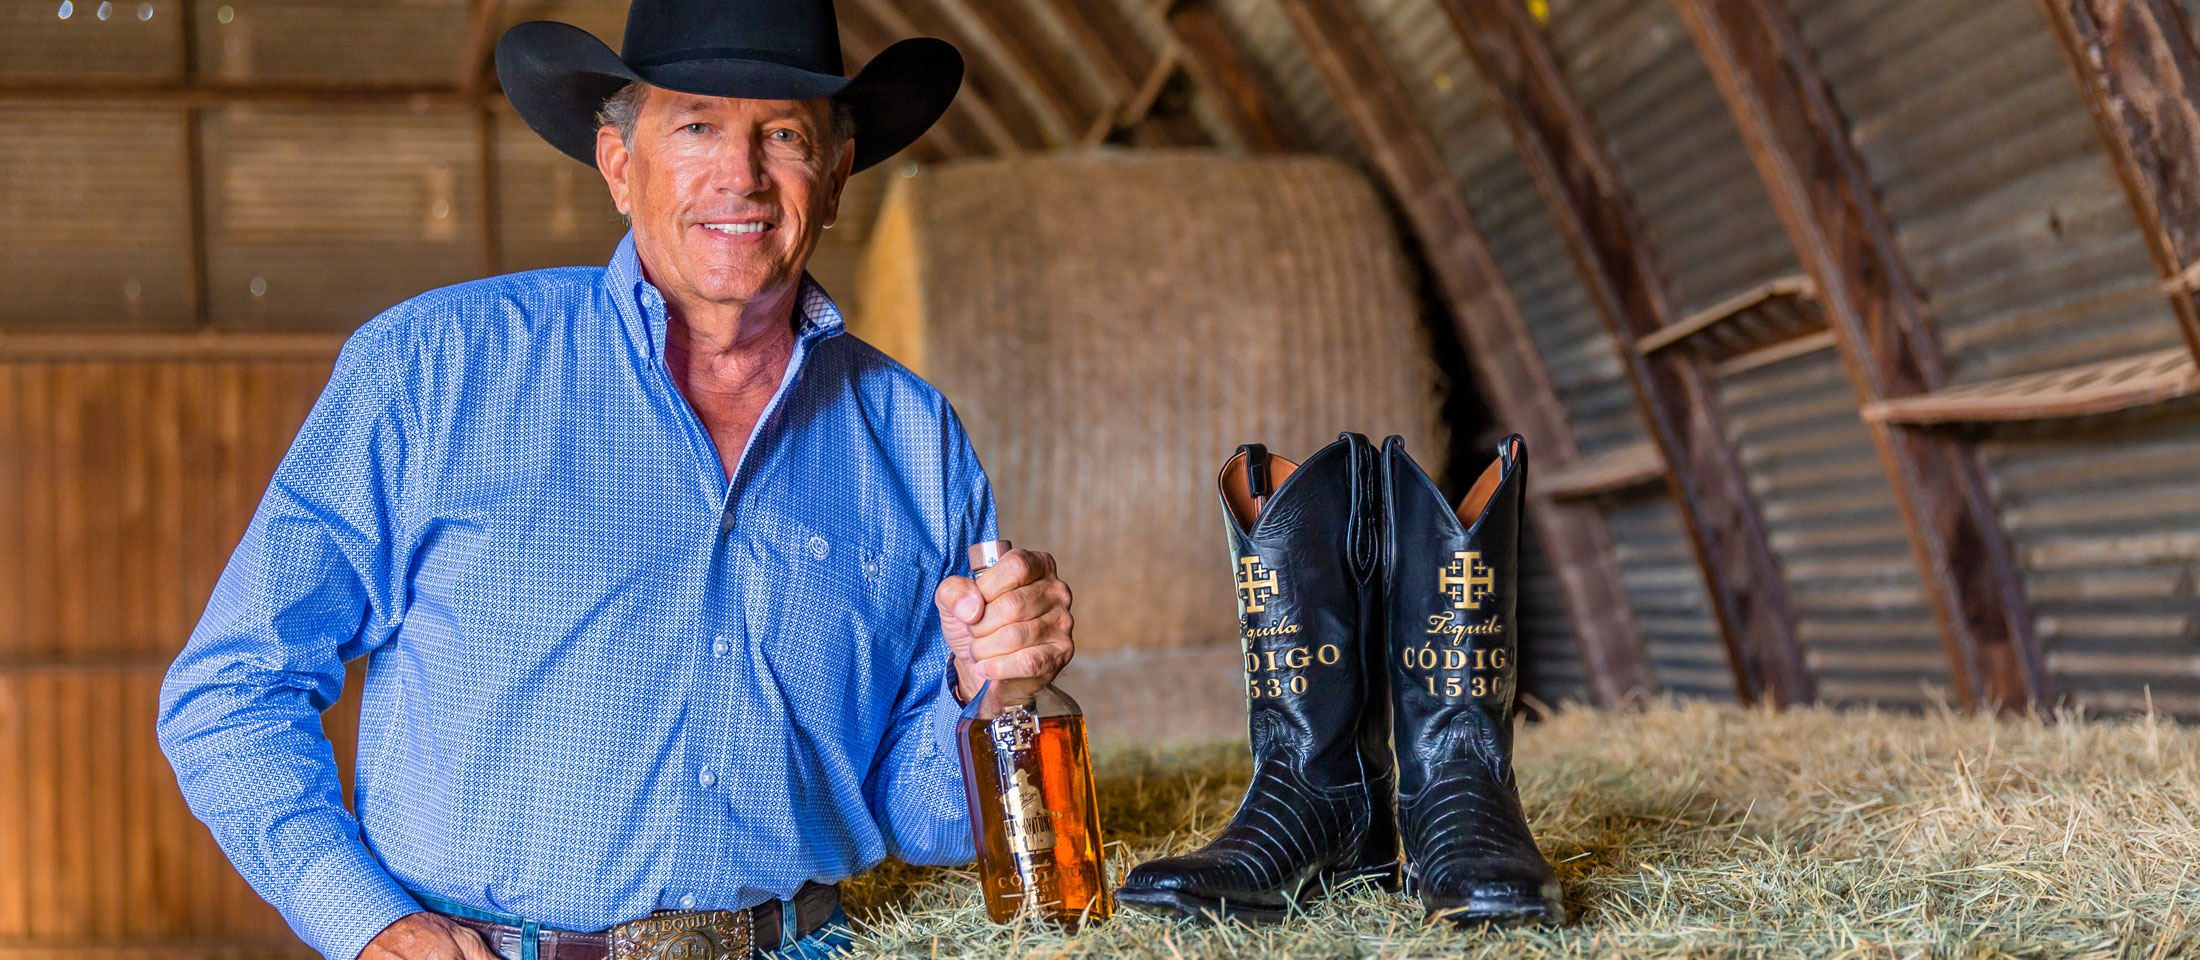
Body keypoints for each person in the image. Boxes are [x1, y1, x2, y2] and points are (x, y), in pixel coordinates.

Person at [155, 3, 1076, 959]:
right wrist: (370, 924)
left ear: (836, 178)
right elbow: (233, 688)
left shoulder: (914, 437)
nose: (742, 175)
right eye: (696, 127)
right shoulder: (435, 370)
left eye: (785, 135)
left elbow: (921, 815)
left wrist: (995, 690)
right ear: (618, 166)